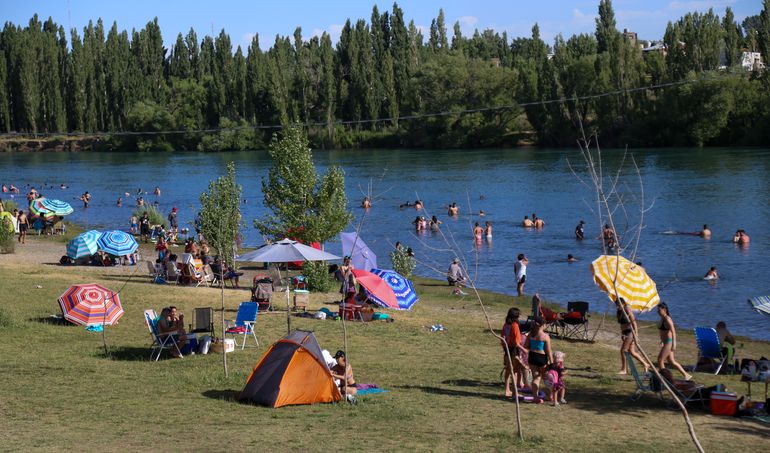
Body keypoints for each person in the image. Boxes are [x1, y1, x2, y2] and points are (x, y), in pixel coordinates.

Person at [656, 302, 691, 380]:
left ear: (664, 310)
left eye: (659, 310)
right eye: (657, 310)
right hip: (665, 342)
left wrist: (674, 344)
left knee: (660, 359)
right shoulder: (662, 318)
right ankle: (686, 375)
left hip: (669, 342)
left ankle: (663, 377)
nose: (657, 312)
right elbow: (663, 331)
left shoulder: (668, 319)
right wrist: (662, 340)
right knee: (672, 362)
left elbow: (673, 331)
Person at [524, 317, 552, 404]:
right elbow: (548, 351)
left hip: (532, 356)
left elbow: (526, 346)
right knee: (545, 377)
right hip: (541, 358)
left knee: (535, 377)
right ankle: (550, 395)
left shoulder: (530, 334)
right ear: (542, 325)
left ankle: (535, 397)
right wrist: (552, 362)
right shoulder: (545, 336)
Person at [616, 298, 647, 375]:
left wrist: (636, 334)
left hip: (630, 332)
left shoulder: (627, 309)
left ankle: (624, 369)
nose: (617, 306)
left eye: (619, 304)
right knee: (632, 352)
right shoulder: (619, 311)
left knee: (623, 350)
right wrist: (622, 333)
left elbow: (634, 323)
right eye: (616, 304)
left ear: (623, 303)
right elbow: (622, 324)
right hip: (624, 332)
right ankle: (646, 364)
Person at [501, 307, 526, 396]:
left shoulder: (506, 324)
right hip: (514, 350)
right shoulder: (515, 325)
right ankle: (515, 392)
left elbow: (502, 337)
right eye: (519, 314)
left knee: (508, 370)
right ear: (516, 316)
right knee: (514, 371)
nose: (520, 316)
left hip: (507, 348)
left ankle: (507, 390)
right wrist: (524, 350)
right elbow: (516, 342)